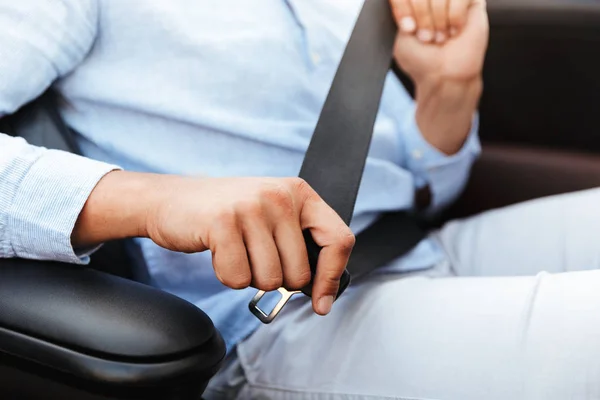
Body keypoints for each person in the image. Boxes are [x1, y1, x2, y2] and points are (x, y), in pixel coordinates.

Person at [1, 0, 600, 398]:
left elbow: (419, 191)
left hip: (407, 246)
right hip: (277, 323)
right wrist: (156, 200)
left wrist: (448, 86)